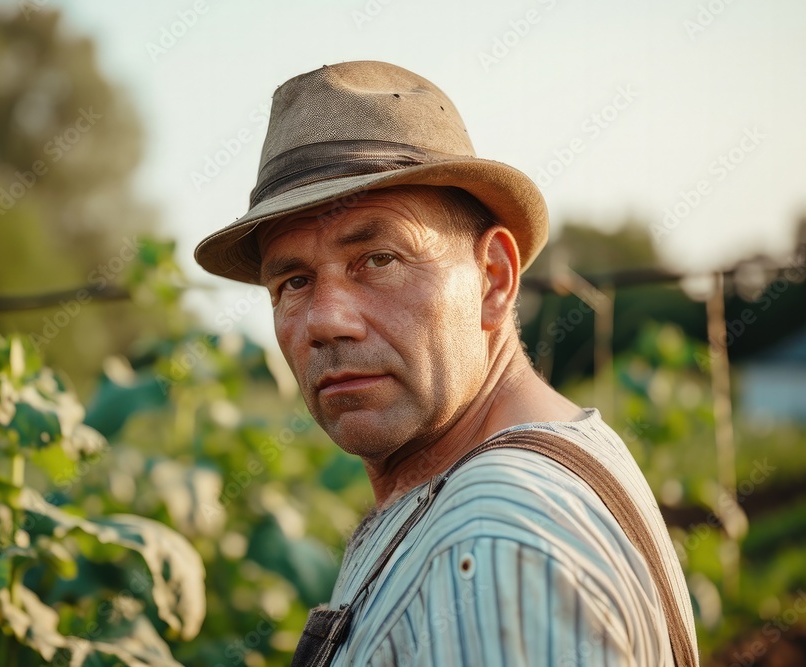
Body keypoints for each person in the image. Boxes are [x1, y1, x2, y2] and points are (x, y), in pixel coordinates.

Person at [195, 61, 698, 666]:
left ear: (493, 279)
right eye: (295, 281)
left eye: (379, 259)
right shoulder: (497, 484)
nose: (326, 321)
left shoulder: (493, 545)